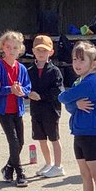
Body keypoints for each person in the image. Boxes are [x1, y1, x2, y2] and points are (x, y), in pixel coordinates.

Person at [58, 41, 96, 191]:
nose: (77, 64)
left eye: (81, 60)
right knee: (85, 174)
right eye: (74, 60)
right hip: (79, 133)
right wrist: (76, 104)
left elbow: (62, 96)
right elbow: (70, 107)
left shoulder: (90, 82)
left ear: (93, 64)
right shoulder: (80, 81)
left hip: (91, 135)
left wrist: (72, 102)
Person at [0, 30, 31, 187]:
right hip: (3, 110)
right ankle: (19, 172)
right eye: (8, 47)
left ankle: (8, 168)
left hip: (18, 109)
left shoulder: (22, 68)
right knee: (13, 142)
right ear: (2, 48)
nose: (12, 50)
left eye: (15, 48)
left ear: (20, 49)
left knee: (20, 142)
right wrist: (9, 90)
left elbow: (27, 86)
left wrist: (23, 91)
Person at [26, 34, 65, 177]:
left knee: (54, 138)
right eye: (38, 50)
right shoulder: (29, 71)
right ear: (33, 51)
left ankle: (58, 165)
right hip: (36, 110)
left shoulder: (54, 71)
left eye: (45, 50)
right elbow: (25, 88)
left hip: (51, 110)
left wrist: (41, 96)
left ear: (51, 52)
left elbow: (58, 90)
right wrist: (27, 94)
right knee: (41, 139)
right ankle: (48, 163)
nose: (41, 53)